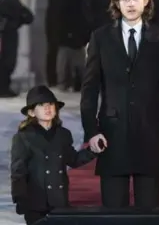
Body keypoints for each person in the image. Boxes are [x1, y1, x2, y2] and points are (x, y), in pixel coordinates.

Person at [80, 0, 159, 208]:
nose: (131, 4)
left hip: (148, 133)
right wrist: (91, 131)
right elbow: (90, 89)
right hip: (111, 134)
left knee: (149, 210)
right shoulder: (100, 37)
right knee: (113, 210)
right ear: (116, 3)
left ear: (146, 1)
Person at [10, 85, 96, 225]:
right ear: (32, 112)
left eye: (50, 104)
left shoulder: (63, 135)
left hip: (59, 202)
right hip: (36, 203)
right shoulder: (23, 137)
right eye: (41, 105)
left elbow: (73, 159)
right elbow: (18, 172)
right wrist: (20, 199)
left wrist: (93, 151)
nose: (47, 108)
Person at [0, 0, 33, 97]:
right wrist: (17, 16)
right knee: (5, 59)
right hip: (4, 30)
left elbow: (17, 7)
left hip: (10, 29)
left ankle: (5, 86)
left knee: (10, 59)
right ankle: (2, 87)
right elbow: (6, 8)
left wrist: (24, 16)